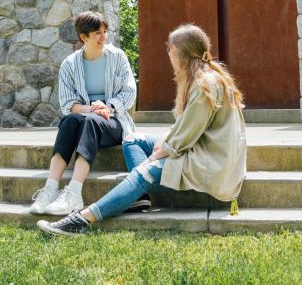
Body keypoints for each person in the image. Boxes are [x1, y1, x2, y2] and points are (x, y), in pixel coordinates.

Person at [38, 24, 247, 235]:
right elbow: (184, 126)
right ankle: (138, 197)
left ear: (182, 54)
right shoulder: (202, 79)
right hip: (200, 150)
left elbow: (183, 139)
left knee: (143, 172)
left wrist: (152, 159)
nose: (169, 54)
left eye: (171, 50)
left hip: (211, 162)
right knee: (132, 139)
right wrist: (164, 140)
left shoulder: (205, 86)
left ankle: (81, 220)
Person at [29, 11, 137, 215]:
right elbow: (68, 104)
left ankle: (74, 194)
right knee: (69, 121)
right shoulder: (69, 64)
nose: (104, 37)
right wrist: (93, 109)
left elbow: (129, 92)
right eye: (97, 33)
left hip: (114, 121)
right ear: (83, 37)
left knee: (90, 122)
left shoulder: (118, 57)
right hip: (85, 118)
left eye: (105, 31)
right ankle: (50, 190)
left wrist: (108, 107)